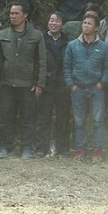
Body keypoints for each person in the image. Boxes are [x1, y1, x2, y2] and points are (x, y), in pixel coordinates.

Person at [0, 1, 45, 160]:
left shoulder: (37, 35)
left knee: (28, 118)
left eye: (16, 13)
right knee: (6, 117)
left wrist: (40, 83)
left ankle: (27, 147)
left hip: (27, 84)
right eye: (11, 14)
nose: (13, 16)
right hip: (7, 83)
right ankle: (6, 147)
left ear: (25, 15)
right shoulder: (3, 34)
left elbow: (42, 61)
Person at [64, 14, 108, 163]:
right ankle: (81, 150)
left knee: (98, 120)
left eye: (89, 23)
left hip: (96, 88)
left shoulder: (104, 47)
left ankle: (97, 151)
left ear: (96, 27)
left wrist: (102, 83)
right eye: (84, 23)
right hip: (77, 88)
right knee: (79, 121)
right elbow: (66, 66)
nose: (85, 25)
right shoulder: (72, 45)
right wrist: (71, 84)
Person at [35, 12, 70, 158]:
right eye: (51, 20)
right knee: (43, 117)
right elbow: (36, 62)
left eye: (57, 21)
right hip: (46, 83)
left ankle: (62, 148)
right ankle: (41, 148)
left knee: (63, 117)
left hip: (62, 84)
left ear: (62, 24)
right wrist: (38, 82)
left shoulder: (68, 41)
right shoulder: (40, 39)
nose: (53, 23)